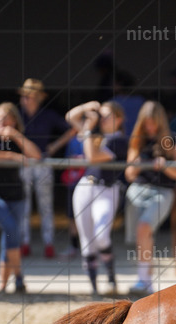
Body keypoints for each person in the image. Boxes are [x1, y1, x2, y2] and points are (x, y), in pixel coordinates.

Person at [124, 101, 176, 297]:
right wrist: (137, 166)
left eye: (153, 123)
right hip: (138, 190)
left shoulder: (172, 139)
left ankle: (144, 280)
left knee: (144, 227)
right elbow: (129, 174)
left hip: (162, 191)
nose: (150, 127)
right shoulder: (137, 140)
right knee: (140, 235)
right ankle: (144, 279)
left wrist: (166, 166)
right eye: (147, 123)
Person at [66, 100, 127, 295]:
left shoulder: (121, 141)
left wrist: (88, 130)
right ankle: (94, 287)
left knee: (102, 236)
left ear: (119, 119)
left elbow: (92, 156)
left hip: (107, 189)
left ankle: (111, 277)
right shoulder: (95, 134)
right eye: (103, 116)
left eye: (108, 116)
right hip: (85, 186)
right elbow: (70, 117)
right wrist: (86, 108)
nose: (103, 119)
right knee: (87, 241)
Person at [0, 102, 41, 293]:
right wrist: (13, 157)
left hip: (16, 195)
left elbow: (36, 156)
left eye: (6, 119)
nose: (2, 122)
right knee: (11, 229)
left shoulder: (16, 138)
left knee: (10, 235)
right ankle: (19, 276)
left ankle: (4, 284)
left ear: (14, 121)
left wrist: (16, 135)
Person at [19, 78, 75, 258]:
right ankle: (24, 242)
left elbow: (73, 129)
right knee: (23, 204)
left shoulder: (48, 115)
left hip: (43, 161)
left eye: (29, 96)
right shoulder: (18, 115)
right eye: (24, 96)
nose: (25, 99)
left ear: (38, 97)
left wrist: (55, 145)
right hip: (24, 162)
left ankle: (49, 243)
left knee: (46, 205)